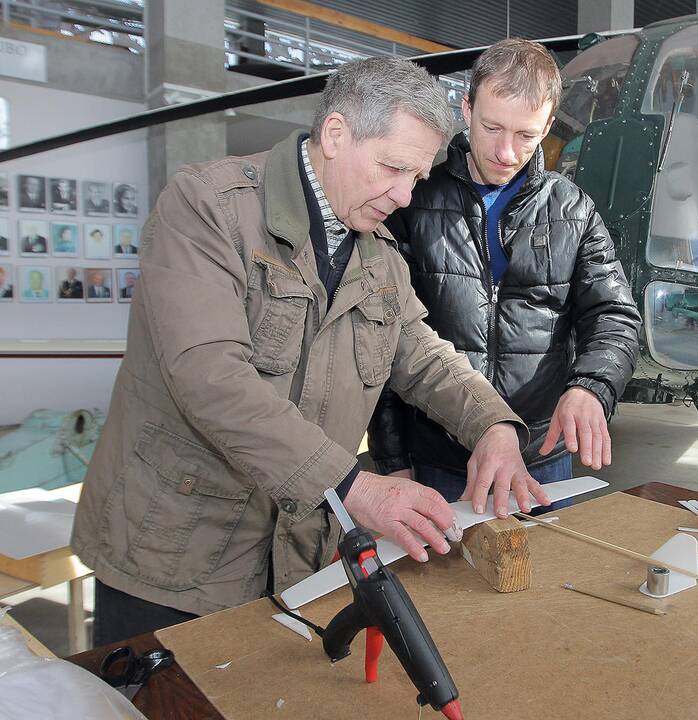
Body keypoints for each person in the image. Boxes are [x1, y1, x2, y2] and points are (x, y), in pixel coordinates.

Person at [72, 56, 551, 646]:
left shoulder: (376, 253)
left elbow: (425, 356)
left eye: (416, 178)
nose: (404, 197)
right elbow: (210, 377)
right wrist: (356, 486)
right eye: (392, 169)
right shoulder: (206, 209)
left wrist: (494, 425)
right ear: (334, 134)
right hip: (172, 560)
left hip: (293, 563)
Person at [369, 39, 641, 507]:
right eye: (492, 127)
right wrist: (394, 458)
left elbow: (614, 315)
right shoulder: (411, 201)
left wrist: (591, 386)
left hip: (542, 457)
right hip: (440, 459)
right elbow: (382, 335)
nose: (507, 152)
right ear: (467, 106)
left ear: (549, 126)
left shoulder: (573, 209)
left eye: (526, 135)